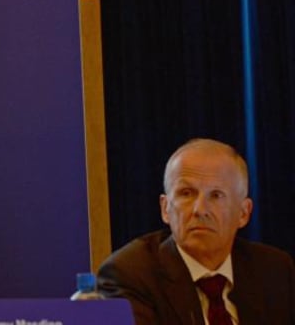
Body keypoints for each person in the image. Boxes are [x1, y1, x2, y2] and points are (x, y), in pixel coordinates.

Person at [97, 138, 295, 325]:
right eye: (186, 193)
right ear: (165, 209)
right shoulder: (130, 275)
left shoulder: (274, 270)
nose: (200, 209)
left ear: (243, 213)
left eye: (216, 196)